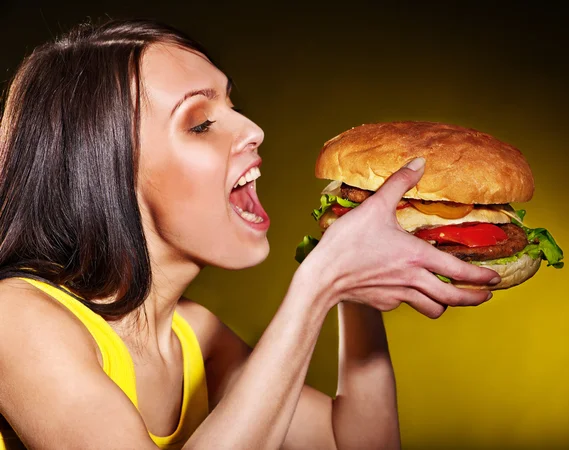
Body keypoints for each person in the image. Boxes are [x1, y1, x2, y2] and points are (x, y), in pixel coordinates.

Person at [0, 19, 499, 450]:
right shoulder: (17, 318)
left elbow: (355, 443)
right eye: (199, 124)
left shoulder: (195, 336)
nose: (252, 128)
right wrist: (318, 284)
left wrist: (353, 288)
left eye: (232, 104)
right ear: (102, 170)